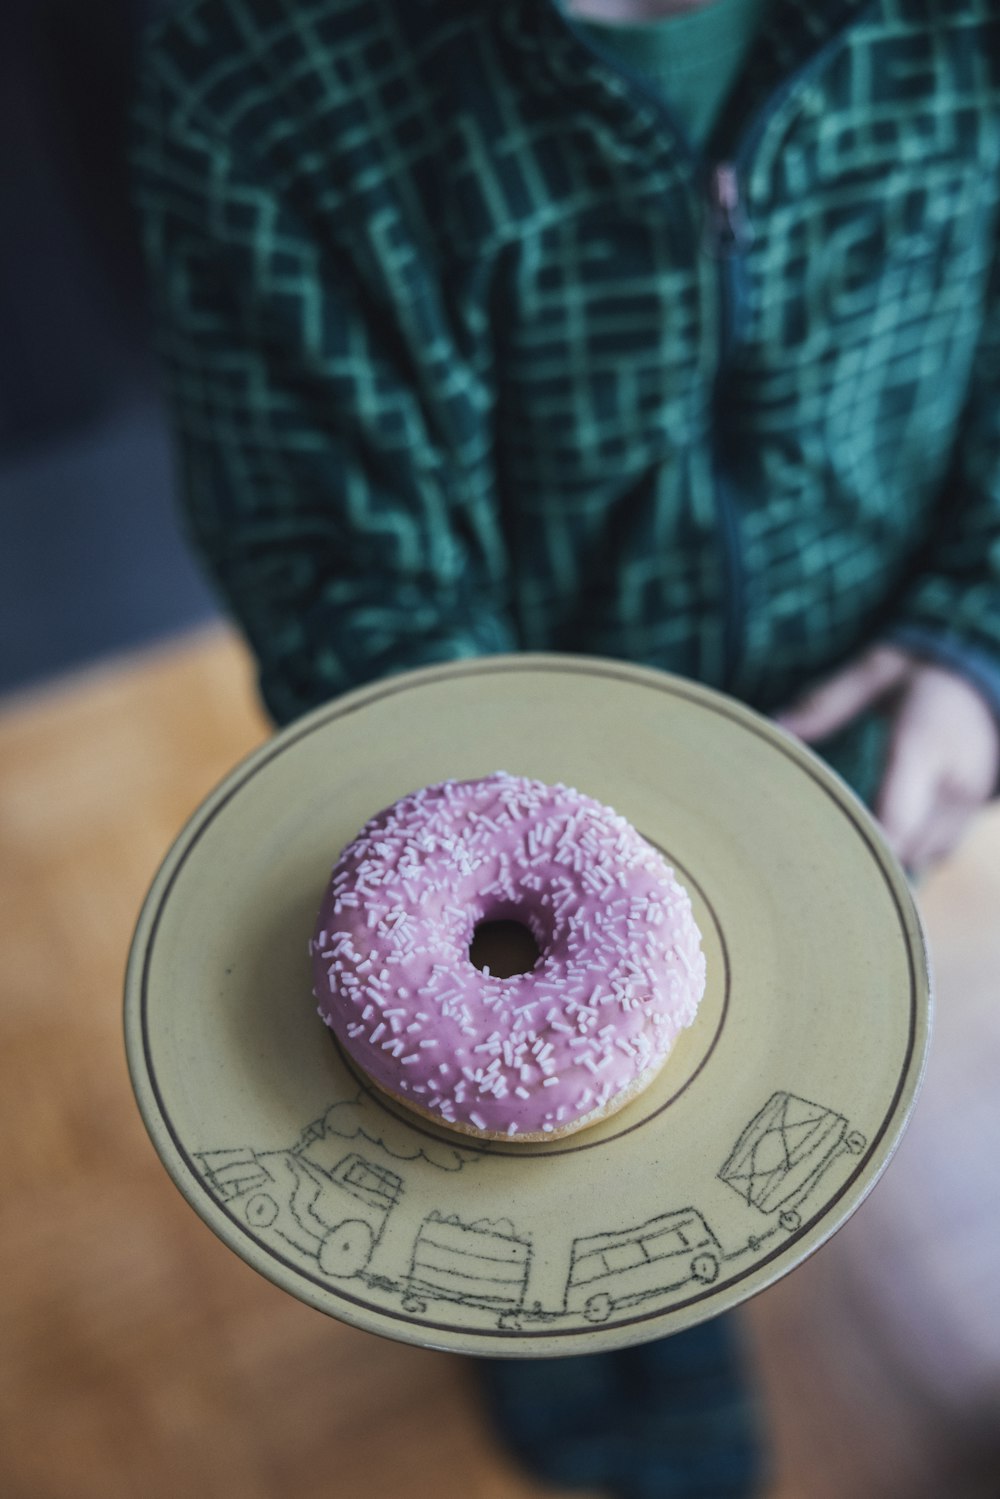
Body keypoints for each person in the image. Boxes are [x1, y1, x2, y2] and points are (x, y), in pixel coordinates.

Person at [130, 0, 1000, 1493]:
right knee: (541, 1179)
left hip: (854, 733)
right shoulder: (265, 66)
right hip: (468, 817)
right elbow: (335, 564)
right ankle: (610, 1374)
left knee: (777, 1100)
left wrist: (977, 630)